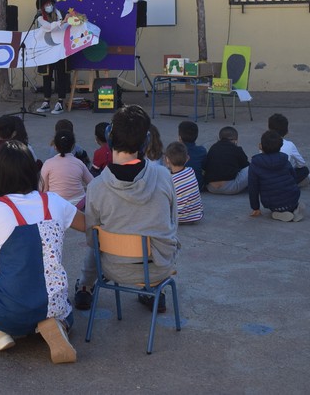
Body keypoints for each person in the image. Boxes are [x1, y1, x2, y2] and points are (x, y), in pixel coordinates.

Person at [0, 140, 84, 363]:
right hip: (54, 305)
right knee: (2, 260)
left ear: (0, 174)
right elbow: (88, 225)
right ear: (32, 170)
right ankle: (58, 324)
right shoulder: (54, 201)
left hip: (10, 314)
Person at [74, 105, 179, 315]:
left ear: (109, 138)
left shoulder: (96, 187)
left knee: (96, 239)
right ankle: (157, 290)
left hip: (113, 268)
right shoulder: (164, 176)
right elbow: (172, 223)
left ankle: (85, 286)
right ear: (146, 141)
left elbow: (90, 238)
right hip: (158, 267)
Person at [248, 130, 304, 222]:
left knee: (276, 204)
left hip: (272, 203)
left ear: (260, 146)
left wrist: (255, 208)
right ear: (281, 146)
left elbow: (253, 187)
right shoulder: (285, 159)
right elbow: (293, 177)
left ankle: (278, 213)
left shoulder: (255, 164)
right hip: (292, 198)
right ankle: (295, 209)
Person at [34, 0, 70, 114]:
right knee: (47, 76)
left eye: (50, 3)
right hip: (46, 50)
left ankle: (60, 101)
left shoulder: (59, 13)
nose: (49, 6)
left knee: (61, 75)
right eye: (46, 5)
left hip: (59, 49)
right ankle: (46, 101)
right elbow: (49, 27)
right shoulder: (40, 18)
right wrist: (62, 22)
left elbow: (64, 27)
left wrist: (66, 21)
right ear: (41, 8)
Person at [40, 130, 92, 210]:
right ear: (73, 146)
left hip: (56, 204)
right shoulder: (79, 163)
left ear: (55, 146)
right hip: (78, 204)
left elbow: (43, 189)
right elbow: (92, 183)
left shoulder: (48, 163)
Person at [202, 126, 250, 195]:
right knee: (253, 167)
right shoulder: (237, 149)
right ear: (235, 140)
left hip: (211, 187)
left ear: (219, 138)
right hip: (231, 187)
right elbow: (245, 165)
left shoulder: (213, 148)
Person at [165, 142, 203, 224]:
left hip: (176, 219)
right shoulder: (191, 171)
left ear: (167, 159)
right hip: (196, 216)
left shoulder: (168, 180)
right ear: (187, 158)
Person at [267, 113, 309, 185]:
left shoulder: (264, 142)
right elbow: (302, 164)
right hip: (283, 180)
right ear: (286, 131)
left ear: (269, 129)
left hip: (267, 179)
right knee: (305, 170)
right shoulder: (290, 144)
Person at [178, 121, 206, 189]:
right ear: (196, 136)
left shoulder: (174, 151)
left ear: (180, 137)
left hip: (178, 186)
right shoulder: (201, 151)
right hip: (197, 185)